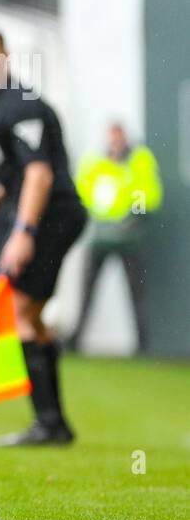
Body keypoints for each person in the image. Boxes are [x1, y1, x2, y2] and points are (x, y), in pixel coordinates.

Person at [0, 25, 87, 447]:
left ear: (5, 57)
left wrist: (24, 231)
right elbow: (17, 173)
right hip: (46, 217)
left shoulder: (20, 105)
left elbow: (39, 172)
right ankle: (54, 424)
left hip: (53, 218)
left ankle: (48, 424)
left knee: (17, 311)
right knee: (30, 316)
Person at [69, 122, 162, 352]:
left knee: (136, 292)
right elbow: (83, 192)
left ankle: (143, 345)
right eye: (111, 138)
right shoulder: (96, 163)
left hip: (128, 239)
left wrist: (133, 219)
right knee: (87, 289)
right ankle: (75, 339)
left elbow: (146, 192)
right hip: (100, 237)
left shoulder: (139, 160)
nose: (115, 143)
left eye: (118, 138)